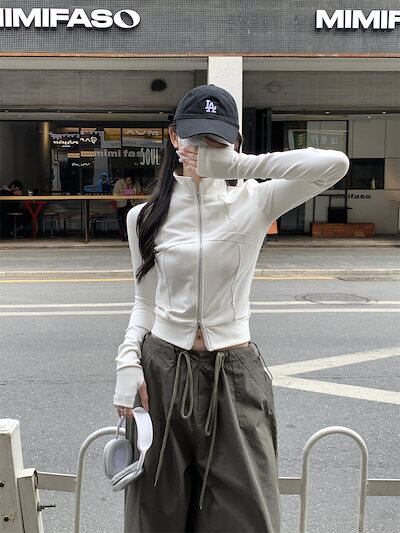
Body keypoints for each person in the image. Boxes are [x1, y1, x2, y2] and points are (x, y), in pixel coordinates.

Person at [113, 84, 350, 532]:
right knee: (155, 516)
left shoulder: (256, 200)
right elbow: (144, 303)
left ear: (234, 143)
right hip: (162, 371)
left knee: (247, 518)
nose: (203, 151)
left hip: (235, 374)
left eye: (216, 141)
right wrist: (127, 361)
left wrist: (240, 166)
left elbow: (335, 165)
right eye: (194, 138)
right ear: (173, 138)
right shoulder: (142, 217)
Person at [113, 176, 137, 241]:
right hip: (121, 204)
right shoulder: (119, 183)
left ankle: (130, 235)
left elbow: (138, 193)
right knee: (121, 220)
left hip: (131, 205)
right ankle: (123, 235)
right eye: (128, 180)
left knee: (130, 221)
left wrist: (132, 190)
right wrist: (125, 192)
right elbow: (115, 194)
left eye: (130, 181)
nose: (129, 182)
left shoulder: (135, 184)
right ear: (125, 179)